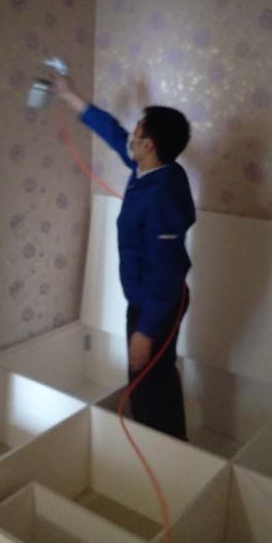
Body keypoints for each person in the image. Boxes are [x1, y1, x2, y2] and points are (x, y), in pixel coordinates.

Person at [53, 74, 196, 441]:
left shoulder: (162, 196)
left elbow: (167, 272)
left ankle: (163, 452)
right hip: (147, 300)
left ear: (148, 145)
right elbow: (114, 133)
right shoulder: (149, 168)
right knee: (154, 378)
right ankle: (170, 450)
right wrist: (70, 96)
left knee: (148, 384)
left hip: (158, 303)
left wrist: (145, 332)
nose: (130, 136)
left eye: (137, 132)